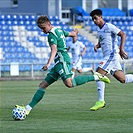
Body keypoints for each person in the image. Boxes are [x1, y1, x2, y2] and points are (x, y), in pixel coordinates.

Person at [16, 15, 110, 116]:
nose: (42, 31)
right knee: (42, 85)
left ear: (48, 24)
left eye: (43, 28)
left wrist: (48, 63)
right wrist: (75, 33)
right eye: (41, 29)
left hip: (62, 61)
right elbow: (71, 34)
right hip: (58, 63)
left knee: (69, 84)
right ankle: (27, 108)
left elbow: (54, 49)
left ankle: (96, 76)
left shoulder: (51, 35)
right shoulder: (58, 30)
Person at [89, 9, 133, 111]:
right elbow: (103, 41)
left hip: (112, 55)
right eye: (93, 19)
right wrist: (97, 45)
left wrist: (121, 49)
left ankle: (101, 101)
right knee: (123, 79)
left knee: (98, 74)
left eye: (95, 18)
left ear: (100, 17)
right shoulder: (99, 30)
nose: (94, 21)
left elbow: (123, 34)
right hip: (109, 57)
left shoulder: (109, 26)